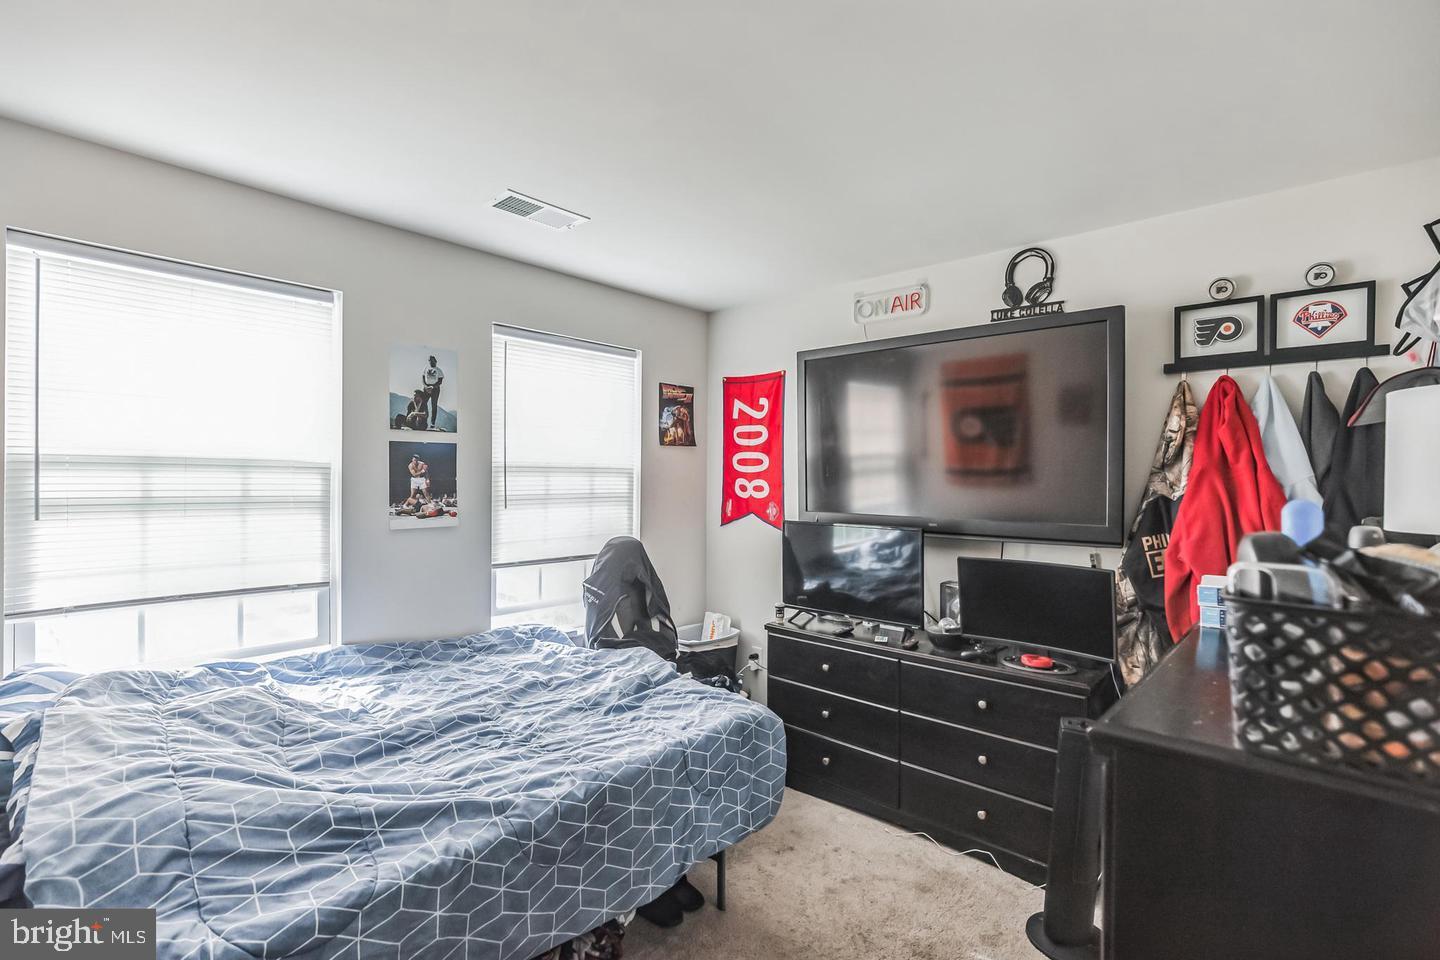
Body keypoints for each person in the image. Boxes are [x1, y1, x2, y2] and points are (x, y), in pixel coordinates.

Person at [423, 355, 445, 429]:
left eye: (432, 360)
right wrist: (426, 386)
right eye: (429, 360)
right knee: (423, 403)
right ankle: (424, 418)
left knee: (434, 406)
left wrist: (432, 387)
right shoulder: (426, 368)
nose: (430, 362)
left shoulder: (439, 370)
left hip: (435, 389)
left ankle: (432, 423)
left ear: (435, 361)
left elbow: (440, 381)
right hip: (426, 388)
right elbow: (423, 378)